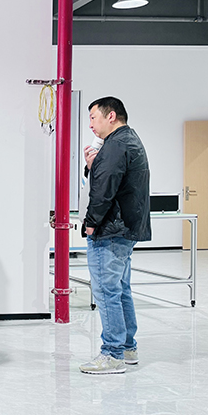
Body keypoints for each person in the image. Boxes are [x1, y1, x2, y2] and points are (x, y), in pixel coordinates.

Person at [79, 96, 151, 375]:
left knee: (107, 292)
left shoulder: (115, 145)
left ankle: (112, 353)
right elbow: (110, 179)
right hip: (125, 229)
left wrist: (91, 223)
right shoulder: (129, 141)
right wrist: (92, 166)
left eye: (93, 118)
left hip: (110, 230)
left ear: (111, 116)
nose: (91, 125)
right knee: (120, 290)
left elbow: (103, 191)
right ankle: (128, 347)